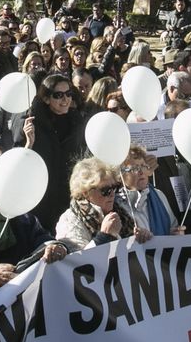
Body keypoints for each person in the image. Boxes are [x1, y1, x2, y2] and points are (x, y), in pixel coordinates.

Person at [23, 73, 86, 229]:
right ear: (46, 98)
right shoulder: (32, 124)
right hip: (44, 195)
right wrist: (29, 143)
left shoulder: (77, 120)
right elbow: (20, 161)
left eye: (68, 94)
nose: (65, 100)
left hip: (69, 191)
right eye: (58, 95)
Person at [56, 158, 142, 250]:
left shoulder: (122, 212)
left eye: (114, 187)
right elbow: (78, 261)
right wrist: (104, 236)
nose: (112, 194)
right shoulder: (70, 220)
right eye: (105, 190)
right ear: (86, 193)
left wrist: (142, 239)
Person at [119, 145, 181, 237]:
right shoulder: (118, 204)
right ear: (121, 175)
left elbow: (172, 227)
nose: (141, 172)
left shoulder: (159, 195)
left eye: (143, 166)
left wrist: (176, 233)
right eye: (135, 168)